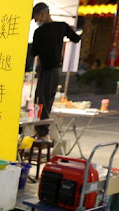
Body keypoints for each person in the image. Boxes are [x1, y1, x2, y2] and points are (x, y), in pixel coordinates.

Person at [31, 2, 80, 140]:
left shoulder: (55, 28)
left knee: (44, 100)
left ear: (43, 14)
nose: (36, 21)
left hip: (51, 70)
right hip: (46, 70)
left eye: (36, 17)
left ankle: (44, 133)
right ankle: (40, 130)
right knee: (40, 100)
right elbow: (76, 38)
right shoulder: (60, 27)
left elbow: (33, 52)